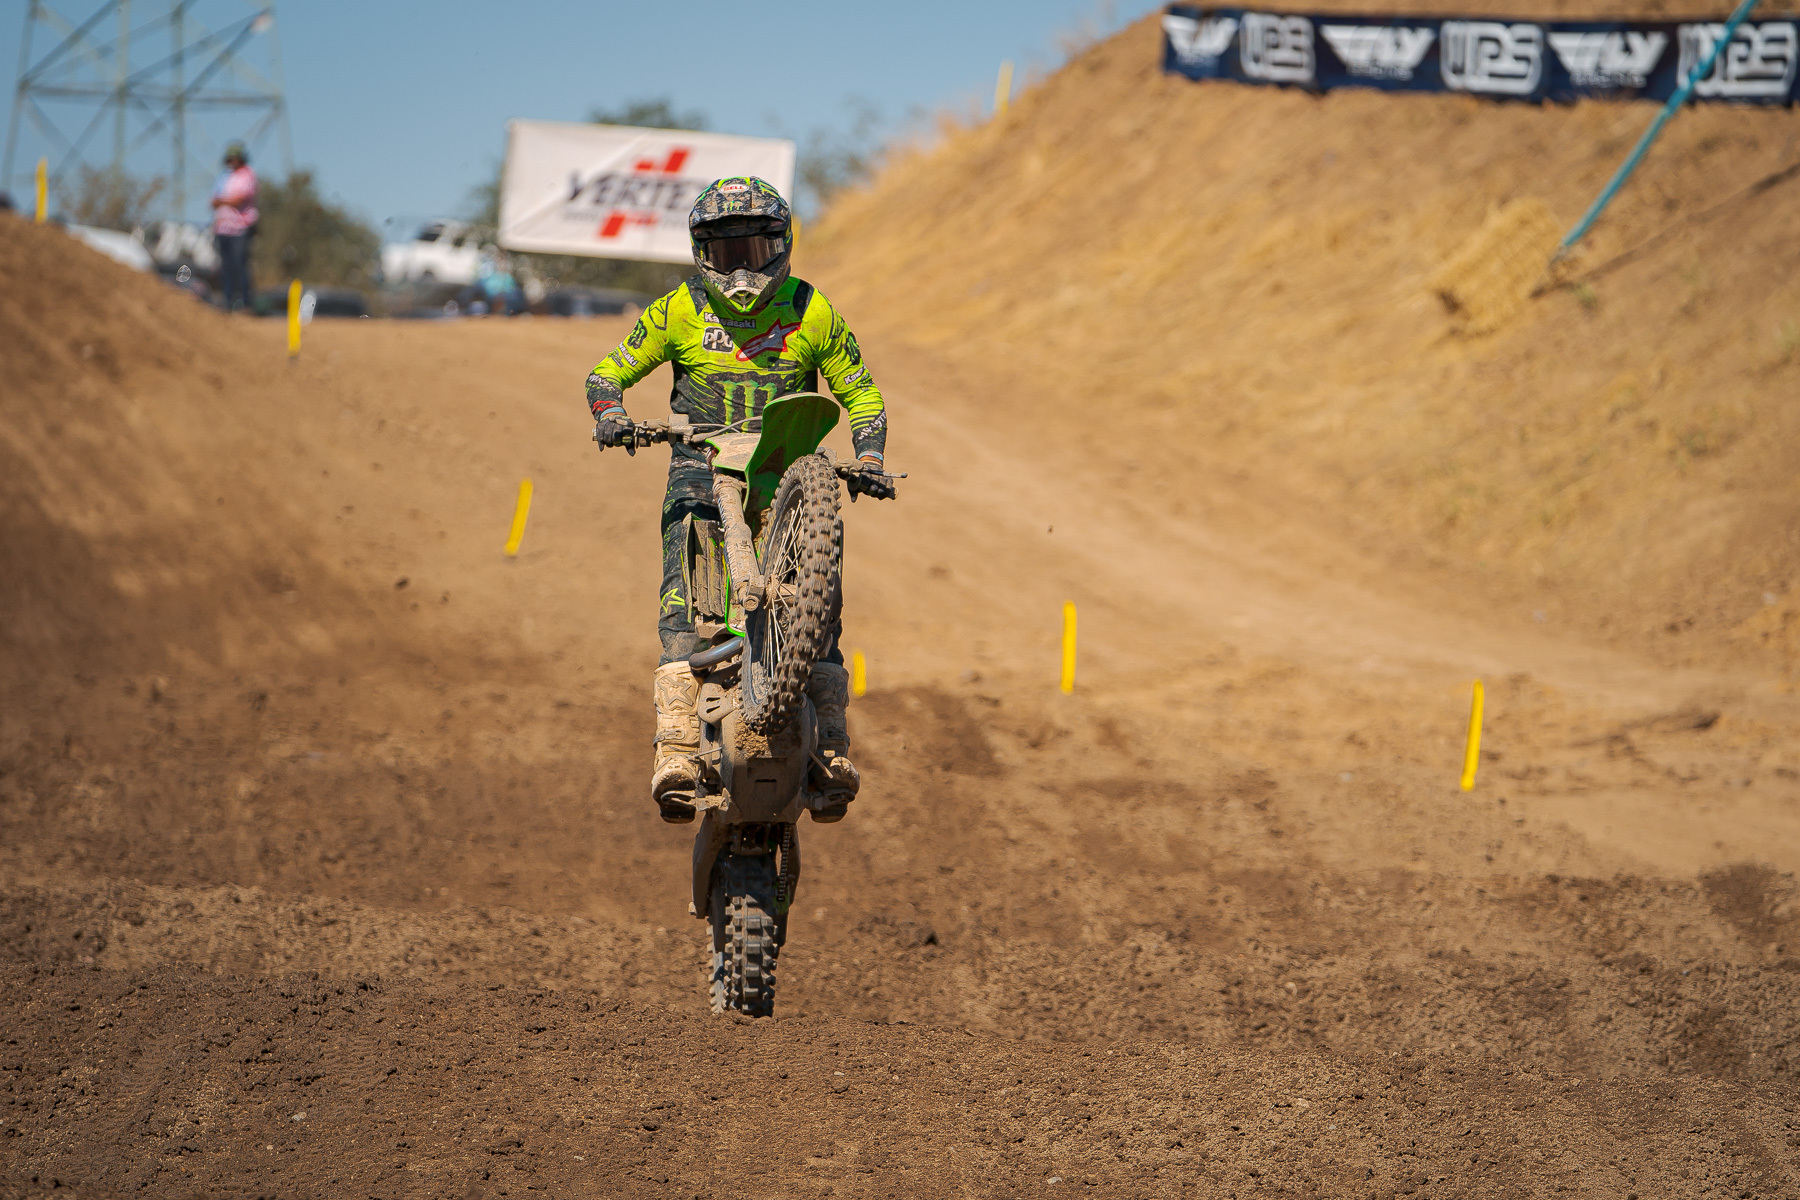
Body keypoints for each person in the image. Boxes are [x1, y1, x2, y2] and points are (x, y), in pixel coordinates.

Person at [585, 176, 894, 825]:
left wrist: (869, 458)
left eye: (755, 250)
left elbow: (860, 392)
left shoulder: (811, 310)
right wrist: (611, 411)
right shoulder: (677, 311)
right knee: (686, 605)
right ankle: (673, 745)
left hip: (786, 469)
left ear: (781, 246)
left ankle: (831, 743)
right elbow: (607, 370)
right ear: (702, 253)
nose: (742, 267)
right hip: (700, 468)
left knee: (821, 598)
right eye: (727, 255)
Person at [210, 142, 258, 311]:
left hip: (240, 229)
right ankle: (227, 301)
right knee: (225, 267)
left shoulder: (248, 175)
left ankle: (246, 302)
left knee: (240, 265)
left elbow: (238, 200)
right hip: (222, 228)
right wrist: (226, 200)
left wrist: (223, 200)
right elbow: (213, 201)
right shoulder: (224, 176)